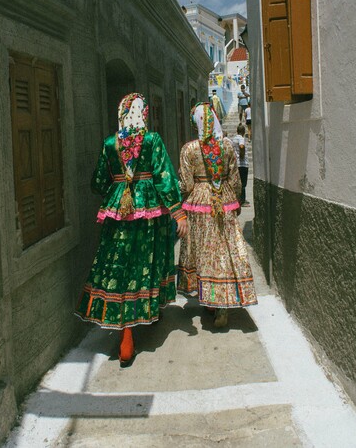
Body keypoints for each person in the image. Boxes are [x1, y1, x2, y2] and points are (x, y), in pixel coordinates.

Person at [75, 92, 187, 366]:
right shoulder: (152, 140)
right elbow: (163, 176)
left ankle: (125, 336)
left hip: (118, 212)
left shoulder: (109, 143)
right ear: (143, 114)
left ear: (122, 114)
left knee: (119, 266)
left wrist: (118, 184)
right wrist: (178, 211)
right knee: (145, 263)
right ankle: (141, 317)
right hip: (149, 212)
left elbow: (98, 182)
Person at [177, 102, 257, 327]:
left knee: (205, 252)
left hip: (200, 205)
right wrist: (236, 200)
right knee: (225, 251)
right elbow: (234, 177)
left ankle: (210, 300)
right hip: (225, 201)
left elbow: (186, 183)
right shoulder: (227, 146)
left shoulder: (189, 149)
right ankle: (222, 302)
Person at [232, 123, 250, 207]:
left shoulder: (234, 139)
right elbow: (242, 146)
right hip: (242, 164)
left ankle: (238, 200)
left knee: (238, 182)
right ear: (243, 131)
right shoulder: (241, 138)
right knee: (243, 183)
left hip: (237, 163)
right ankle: (242, 201)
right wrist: (242, 156)